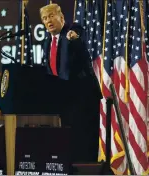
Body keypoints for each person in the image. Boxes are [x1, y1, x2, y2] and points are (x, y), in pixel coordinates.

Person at [39, 4, 102, 163]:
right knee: (68, 140)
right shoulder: (47, 42)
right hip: (63, 98)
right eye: (45, 18)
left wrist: (75, 37)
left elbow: (78, 32)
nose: (49, 21)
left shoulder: (70, 33)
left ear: (61, 17)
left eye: (52, 16)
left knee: (83, 140)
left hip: (82, 97)